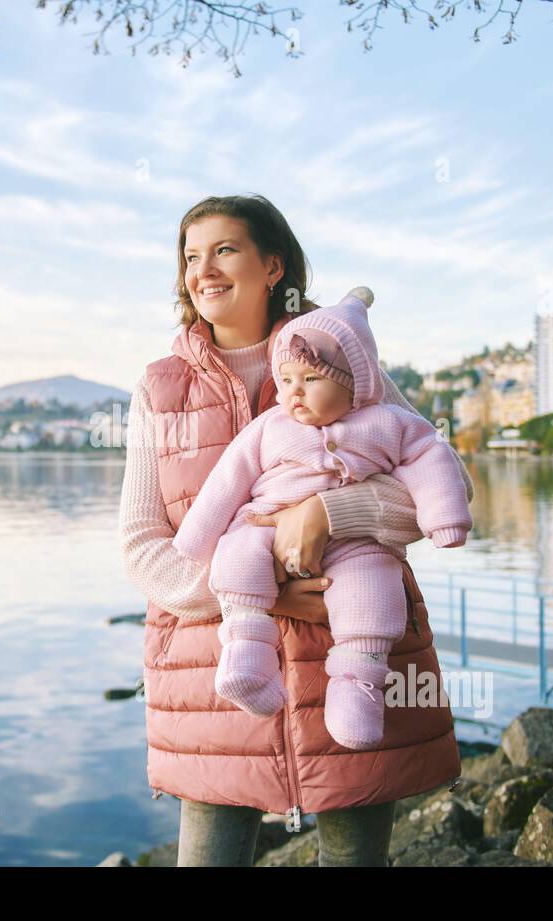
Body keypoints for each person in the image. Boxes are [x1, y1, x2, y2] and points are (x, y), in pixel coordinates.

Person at [118, 193, 474, 867]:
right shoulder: (159, 390)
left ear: (273, 264)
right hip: (214, 676)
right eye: (191, 257)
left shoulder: (345, 362)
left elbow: (446, 486)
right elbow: (142, 546)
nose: (204, 270)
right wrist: (256, 592)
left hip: (354, 659)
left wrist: (330, 513)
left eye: (224, 249)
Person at [171, 288, 472, 751]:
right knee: (237, 558)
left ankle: (358, 688)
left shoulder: (387, 422)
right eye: (286, 379)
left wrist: (445, 517)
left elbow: (432, 458)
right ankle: (246, 659)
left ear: (356, 383)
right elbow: (228, 479)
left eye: (311, 378)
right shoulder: (270, 427)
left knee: (373, 590)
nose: (294, 391)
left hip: (357, 546)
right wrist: (195, 540)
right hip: (263, 524)